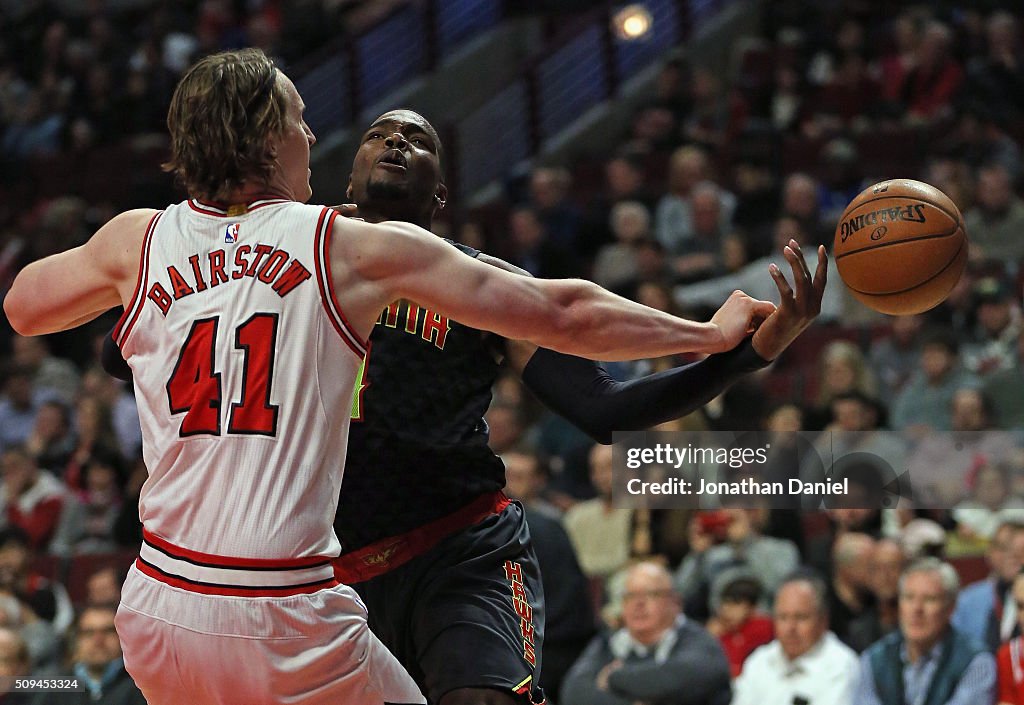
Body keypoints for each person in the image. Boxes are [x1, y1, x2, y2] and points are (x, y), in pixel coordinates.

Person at [1, 48, 795, 705]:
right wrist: (708, 331)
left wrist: (163, 268)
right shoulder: (343, 247)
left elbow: (25, 306)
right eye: (302, 119)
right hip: (287, 599)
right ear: (271, 141)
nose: (315, 131)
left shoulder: (138, 240)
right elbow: (567, 310)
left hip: (167, 598)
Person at [327, 108, 826, 705]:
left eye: (417, 138)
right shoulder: (296, 262)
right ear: (348, 183)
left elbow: (602, 409)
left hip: (459, 553)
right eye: (379, 134)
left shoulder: (481, 283)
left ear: (440, 192)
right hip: (329, 569)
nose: (396, 141)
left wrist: (744, 357)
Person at [560, 561, 731, 705]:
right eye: (630, 596)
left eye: (651, 594)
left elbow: (686, 679)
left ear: (675, 602)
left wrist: (613, 678)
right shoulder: (608, 642)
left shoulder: (700, 641)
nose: (638, 604)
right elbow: (574, 692)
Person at [856, 557, 996, 705]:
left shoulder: (976, 662)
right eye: (909, 598)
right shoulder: (873, 659)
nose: (917, 609)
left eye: (929, 599)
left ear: (950, 608)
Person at [731, 575, 860, 705]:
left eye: (801, 617)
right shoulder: (759, 661)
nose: (790, 628)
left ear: (823, 621)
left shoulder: (841, 665)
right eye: (783, 617)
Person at [27, 603, 146, 705]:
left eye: (108, 631)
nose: (98, 640)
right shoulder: (55, 688)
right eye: (89, 633)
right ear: (77, 640)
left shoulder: (143, 687)